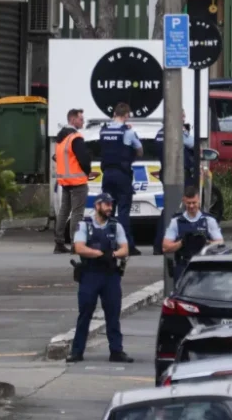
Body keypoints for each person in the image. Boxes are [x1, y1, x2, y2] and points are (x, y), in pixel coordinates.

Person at [66, 193, 134, 363]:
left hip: (110, 275)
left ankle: (116, 351)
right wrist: (98, 254)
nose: (110, 208)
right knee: (85, 313)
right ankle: (77, 351)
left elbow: (125, 249)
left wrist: (112, 254)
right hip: (90, 274)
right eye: (106, 205)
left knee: (113, 314)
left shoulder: (115, 226)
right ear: (97, 206)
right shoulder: (84, 225)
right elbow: (79, 247)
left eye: (111, 205)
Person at [100, 103, 144, 256]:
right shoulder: (128, 132)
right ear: (126, 115)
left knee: (107, 211)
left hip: (106, 175)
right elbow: (140, 151)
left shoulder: (104, 130)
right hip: (122, 175)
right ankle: (127, 246)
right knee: (123, 212)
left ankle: (107, 244)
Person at [153, 112, 196, 255]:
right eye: (181, 115)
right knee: (177, 209)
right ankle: (168, 243)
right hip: (178, 175)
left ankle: (160, 243)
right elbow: (192, 143)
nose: (183, 118)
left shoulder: (159, 134)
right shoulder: (176, 132)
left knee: (168, 208)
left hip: (166, 173)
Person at [162, 185, 224, 282]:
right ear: (184, 201)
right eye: (188, 203)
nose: (191, 206)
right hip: (183, 265)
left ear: (199, 200)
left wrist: (205, 242)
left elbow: (220, 243)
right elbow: (165, 247)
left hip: (204, 265)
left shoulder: (208, 220)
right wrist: (182, 242)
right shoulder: (176, 221)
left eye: (194, 203)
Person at [53, 108, 91, 254]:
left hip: (65, 182)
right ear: (73, 119)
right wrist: (86, 172)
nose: (83, 121)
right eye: (81, 119)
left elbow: (57, 158)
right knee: (77, 213)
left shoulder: (61, 138)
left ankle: (59, 243)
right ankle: (76, 244)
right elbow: (84, 159)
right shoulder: (75, 138)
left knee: (64, 212)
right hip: (78, 181)